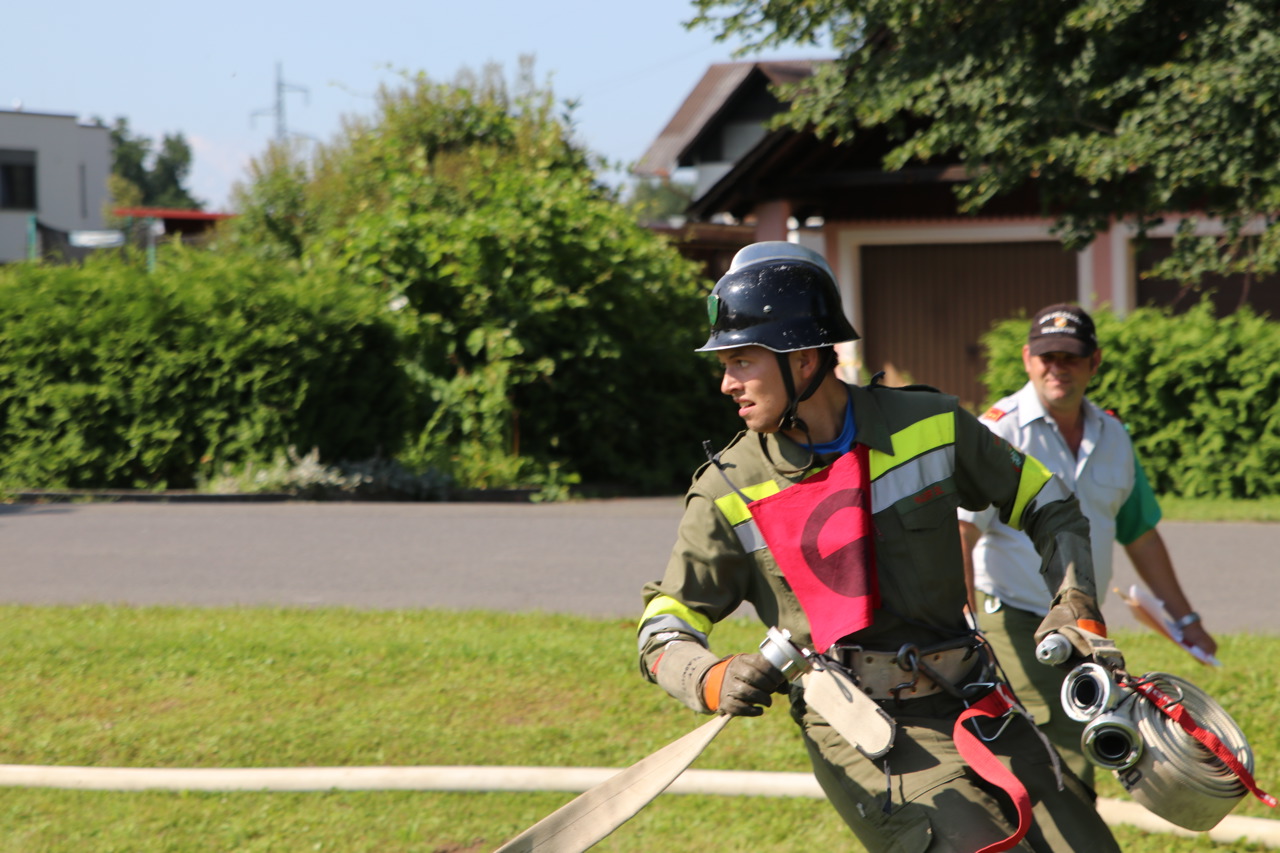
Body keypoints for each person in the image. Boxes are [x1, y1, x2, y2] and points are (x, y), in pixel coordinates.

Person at [637, 242, 1122, 852]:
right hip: (862, 729)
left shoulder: (929, 424)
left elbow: (1049, 503)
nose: (727, 383)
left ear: (803, 359)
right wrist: (707, 676)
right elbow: (663, 627)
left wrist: (1075, 599)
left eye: (741, 361)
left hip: (977, 698)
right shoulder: (726, 487)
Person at [958, 303, 1218, 789]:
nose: (1058, 368)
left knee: (1088, 741)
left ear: (1094, 362)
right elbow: (962, 532)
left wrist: (1187, 620)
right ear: (1027, 359)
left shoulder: (1112, 434)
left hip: (1084, 626)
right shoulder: (998, 430)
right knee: (1063, 747)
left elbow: (1139, 533)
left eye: (1071, 357)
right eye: (1048, 357)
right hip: (1015, 618)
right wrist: (967, 633)